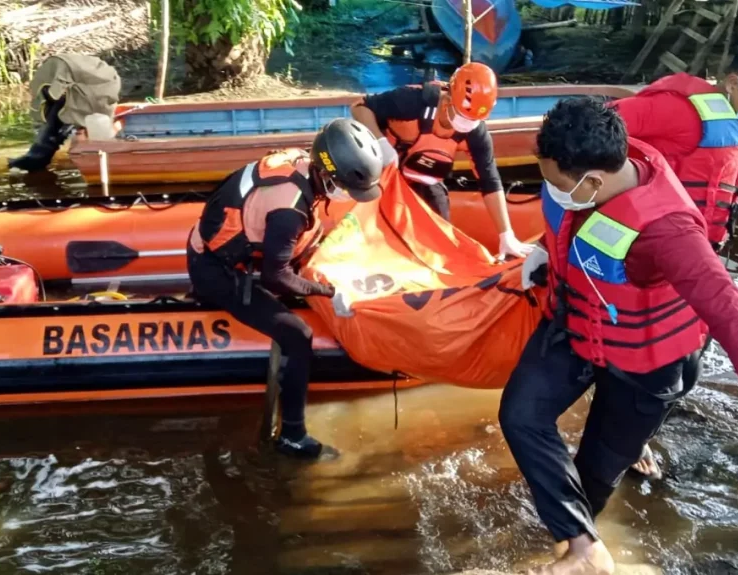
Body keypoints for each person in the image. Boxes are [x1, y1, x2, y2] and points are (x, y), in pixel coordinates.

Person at [501, 96, 738, 574]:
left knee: (594, 476)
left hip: (646, 361)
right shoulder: (614, 149)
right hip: (578, 325)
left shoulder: (669, 234)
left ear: (594, 181)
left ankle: (585, 548)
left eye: (554, 184)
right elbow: (569, 217)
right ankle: (579, 541)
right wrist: (541, 249)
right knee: (520, 414)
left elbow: (734, 319)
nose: (549, 191)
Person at [609, 36, 738, 478]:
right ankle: (624, 443)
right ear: (734, 84)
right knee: (649, 370)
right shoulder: (677, 111)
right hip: (644, 258)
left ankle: (636, 432)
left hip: (696, 262)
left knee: (690, 367)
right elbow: (597, 129)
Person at [186, 118, 383, 460]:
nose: (346, 195)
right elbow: (275, 278)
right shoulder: (288, 210)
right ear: (326, 172)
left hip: (214, 243)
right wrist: (326, 292)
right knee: (298, 334)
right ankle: (293, 436)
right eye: (344, 187)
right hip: (215, 270)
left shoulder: (301, 163)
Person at [351, 62, 532, 259]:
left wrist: (507, 234)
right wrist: (382, 144)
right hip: (383, 175)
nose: (467, 126)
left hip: (424, 181)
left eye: (473, 121)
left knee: (441, 244)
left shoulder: (474, 132)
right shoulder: (412, 102)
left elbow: (490, 180)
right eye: (464, 118)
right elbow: (360, 108)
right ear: (447, 103)